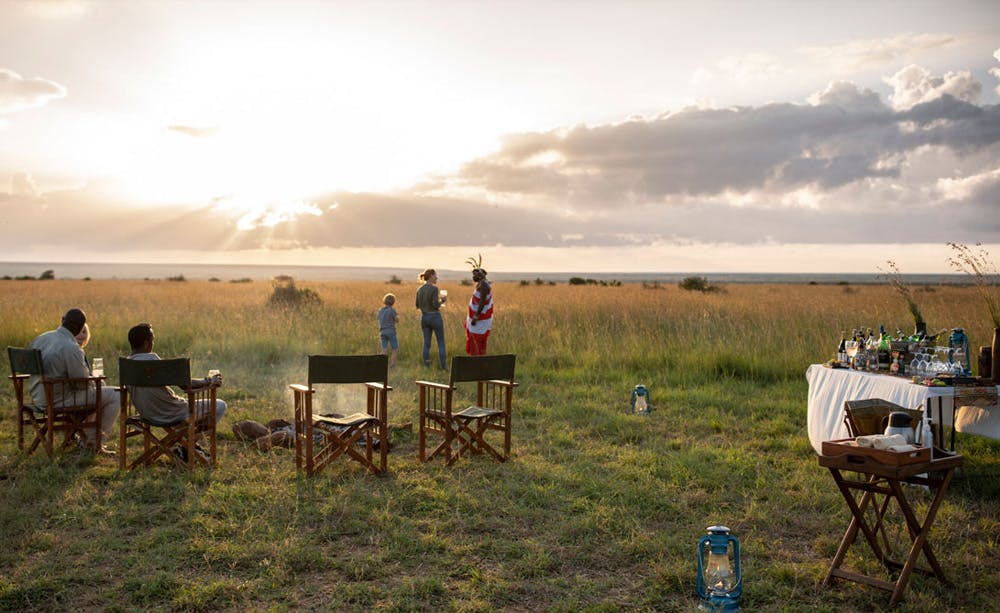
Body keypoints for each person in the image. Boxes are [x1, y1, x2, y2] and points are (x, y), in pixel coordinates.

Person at [126, 323, 227, 458]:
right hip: (171, 411)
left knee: (197, 409)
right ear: (146, 343)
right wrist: (209, 381)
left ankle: (183, 444)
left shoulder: (127, 365)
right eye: (152, 340)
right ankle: (186, 443)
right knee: (219, 405)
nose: (153, 344)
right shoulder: (151, 361)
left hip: (146, 414)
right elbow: (185, 385)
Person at [29, 308, 120, 453]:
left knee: (99, 389)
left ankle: (86, 439)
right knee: (116, 394)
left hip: (38, 396)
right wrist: (94, 380)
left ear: (62, 320)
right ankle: (93, 444)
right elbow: (82, 384)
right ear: (79, 327)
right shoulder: (71, 347)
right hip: (58, 400)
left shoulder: (42, 338)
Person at [415, 268, 447, 369]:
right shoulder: (434, 289)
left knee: (427, 343)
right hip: (435, 317)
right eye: (435, 275)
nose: (437, 277)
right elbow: (436, 305)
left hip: (424, 317)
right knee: (441, 343)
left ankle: (426, 365)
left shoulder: (419, 289)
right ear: (431, 276)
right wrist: (442, 301)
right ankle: (443, 366)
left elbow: (417, 305)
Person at [464, 255, 493, 356]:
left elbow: (482, 302)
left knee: (478, 340)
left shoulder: (484, 285)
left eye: (475, 274)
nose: (473, 277)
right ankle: (476, 360)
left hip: (480, 319)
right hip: (477, 318)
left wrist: (476, 316)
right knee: (475, 340)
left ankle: (478, 361)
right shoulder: (481, 284)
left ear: (481, 275)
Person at [378, 293, 399, 367]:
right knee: (395, 349)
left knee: (384, 349)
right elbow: (397, 320)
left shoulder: (380, 310)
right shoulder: (392, 310)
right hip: (391, 332)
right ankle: (393, 364)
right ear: (393, 302)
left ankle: (381, 364)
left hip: (382, 332)